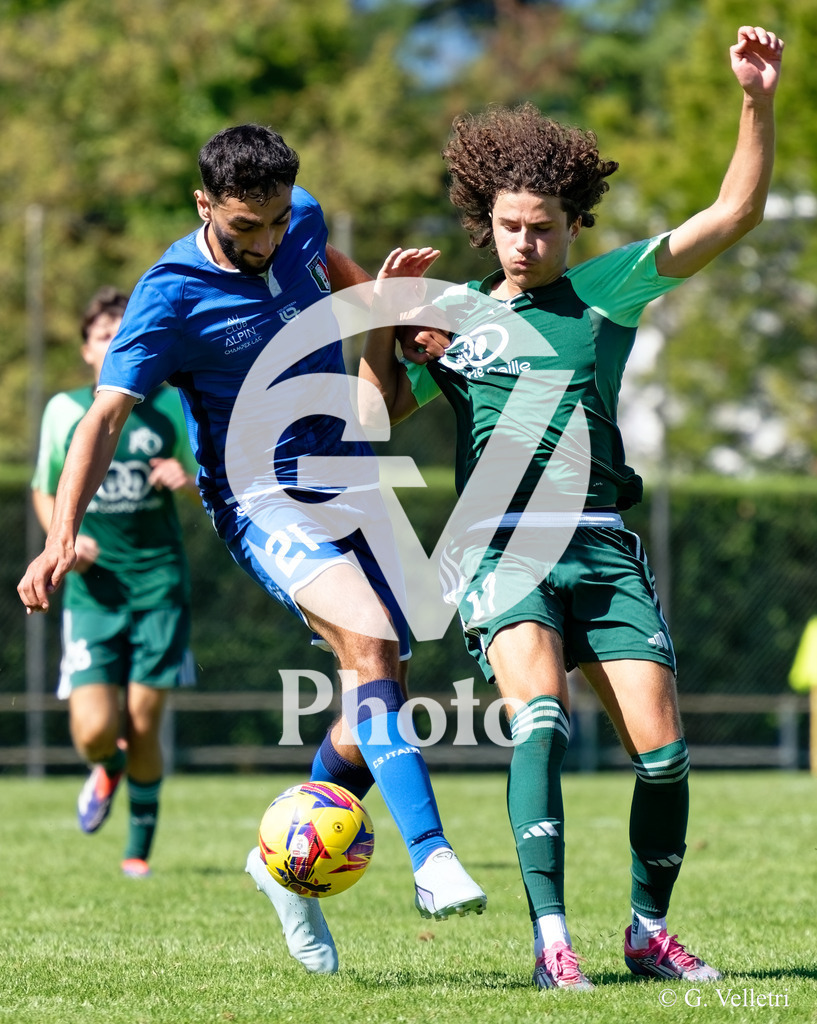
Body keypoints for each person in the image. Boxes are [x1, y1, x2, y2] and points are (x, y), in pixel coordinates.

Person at [361, 25, 783, 990]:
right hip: (500, 549)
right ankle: (553, 944)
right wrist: (385, 322)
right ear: (486, 223)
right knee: (540, 719)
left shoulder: (605, 292)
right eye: (510, 225)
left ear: (573, 224)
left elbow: (734, 212)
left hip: (599, 548)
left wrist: (753, 100)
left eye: (543, 226)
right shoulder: (453, 324)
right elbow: (370, 416)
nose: (526, 241)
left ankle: (647, 933)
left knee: (664, 758)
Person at [18, 124, 485, 975]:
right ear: (204, 204)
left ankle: (282, 873)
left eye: (275, 222)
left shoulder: (299, 216)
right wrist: (58, 537)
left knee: (375, 687)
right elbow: (104, 418)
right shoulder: (168, 297)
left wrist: (394, 313)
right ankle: (431, 857)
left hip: (347, 471)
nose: (266, 242)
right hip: (260, 496)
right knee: (371, 642)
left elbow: (327, 265)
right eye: (245, 227)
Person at [31, 286, 197, 879]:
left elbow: (212, 486)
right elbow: (44, 489)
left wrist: (186, 479)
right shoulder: (66, 410)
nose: (114, 343)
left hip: (159, 585)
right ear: (86, 350)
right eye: (103, 335)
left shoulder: (172, 405)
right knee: (96, 730)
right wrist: (63, 540)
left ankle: (138, 850)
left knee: (144, 723)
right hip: (93, 591)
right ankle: (106, 764)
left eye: (124, 332)